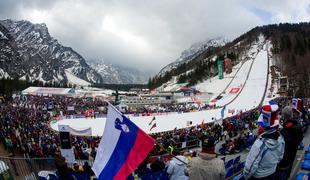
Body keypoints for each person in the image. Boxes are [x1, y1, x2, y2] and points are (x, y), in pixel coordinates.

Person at [243, 102, 285, 180]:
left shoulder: (260, 143)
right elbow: (280, 156)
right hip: (271, 172)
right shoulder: (280, 137)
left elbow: (251, 165)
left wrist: (246, 176)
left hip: (259, 176)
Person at [274, 106, 303, 180]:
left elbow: (280, 148)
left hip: (283, 161)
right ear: (292, 115)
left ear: (283, 116)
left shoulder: (285, 131)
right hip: (292, 156)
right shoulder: (297, 125)